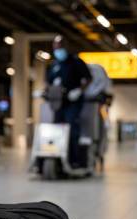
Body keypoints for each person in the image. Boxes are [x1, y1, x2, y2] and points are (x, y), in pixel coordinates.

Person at [47, 35, 92, 168]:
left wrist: (79, 90)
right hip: (58, 103)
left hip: (73, 102)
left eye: (60, 47)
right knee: (56, 129)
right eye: (55, 48)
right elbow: (48, 82)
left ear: (66, 47)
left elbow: (88, 78)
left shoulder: (76, 62)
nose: (57, 50)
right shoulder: (54, 64)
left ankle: (74, 160)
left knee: (71, 128)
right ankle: (57, 158)